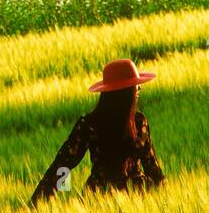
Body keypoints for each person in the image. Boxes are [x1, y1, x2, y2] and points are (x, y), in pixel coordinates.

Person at [30, 59, 165, 205]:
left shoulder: (131, 121)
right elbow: (64, 164)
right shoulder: (134, 122)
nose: (139, 89)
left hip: (101, 196)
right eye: (135, 85)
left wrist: (38, 202)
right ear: (123, 92)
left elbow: (64, 164)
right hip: (126, 197)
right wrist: (38, 202)